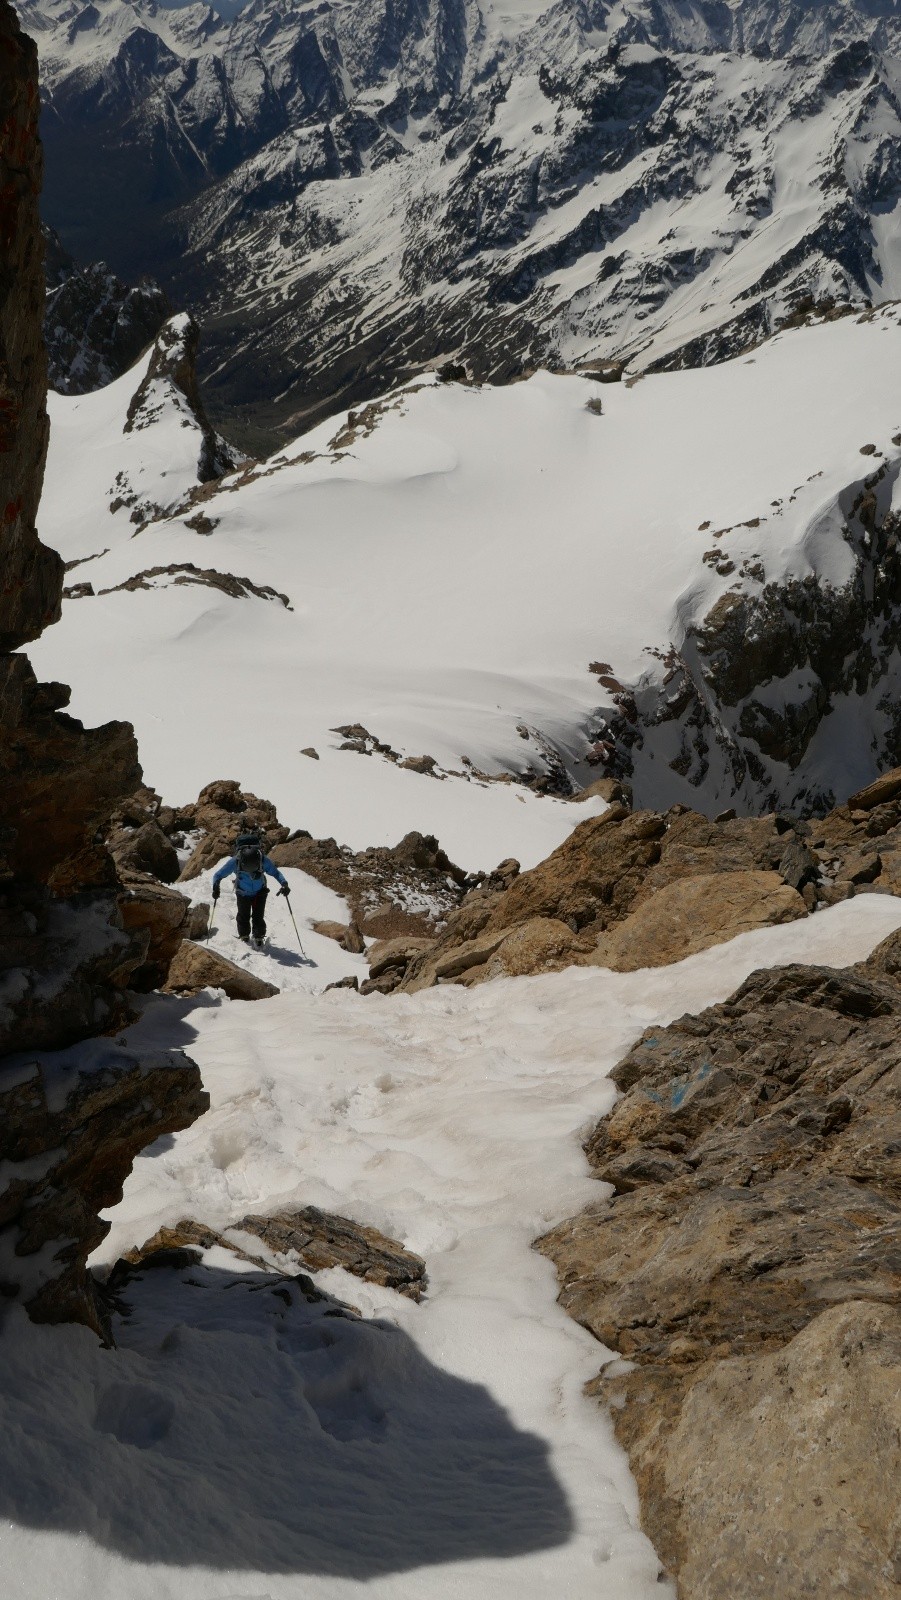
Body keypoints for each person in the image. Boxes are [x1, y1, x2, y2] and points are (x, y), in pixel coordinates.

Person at [211, 829, 290, 945]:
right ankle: (258, 937)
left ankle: (244, 937)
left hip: (242, 892)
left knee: (243, 916)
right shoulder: (262, 859)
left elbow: (218, 875)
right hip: (260, 892)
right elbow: (275, 873)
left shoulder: (236, 861)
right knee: (258, 916)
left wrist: (216, 886)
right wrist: (284, 884)